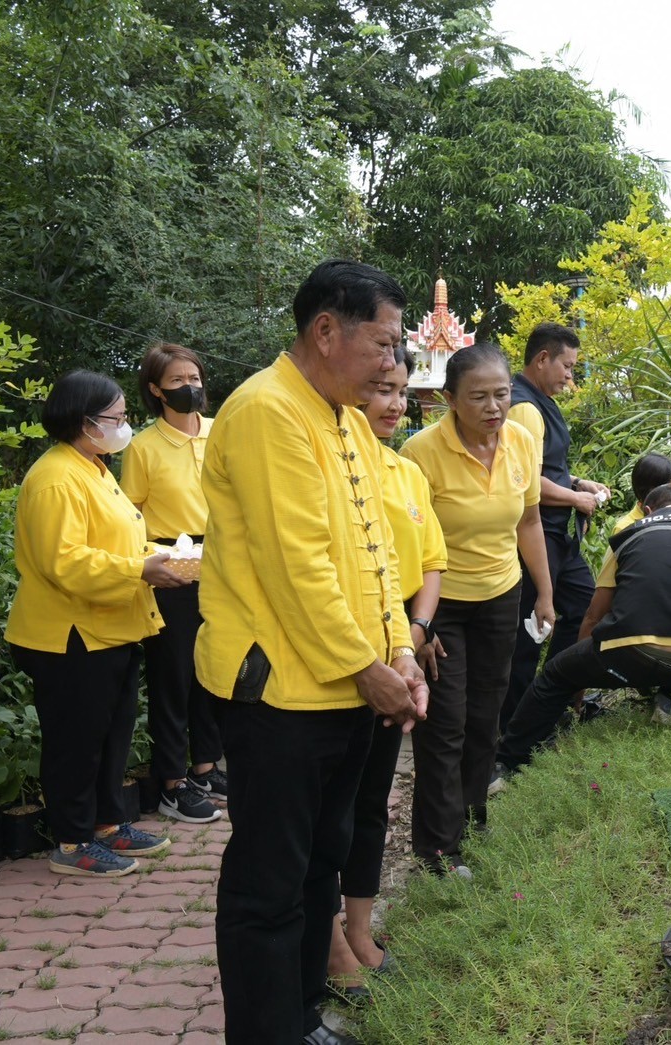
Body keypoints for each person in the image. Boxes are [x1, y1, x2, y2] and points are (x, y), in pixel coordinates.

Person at [198, 260, 429, 1045]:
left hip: (343, 691)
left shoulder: (340, 414)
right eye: (383, 341)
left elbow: (380, 560)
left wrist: (398, 651)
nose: (392, 362)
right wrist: (368, 667)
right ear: (325, 330)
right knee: (270, 882)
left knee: (317, 868)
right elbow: (298, 567)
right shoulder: (267, 410)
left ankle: (302, 1018)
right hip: (279, 696)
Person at [7, 370, 182, 878]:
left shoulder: (95, 468)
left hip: (112, 627)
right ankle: (71, 841)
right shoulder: (56, 478)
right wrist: (138, 570)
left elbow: (117, 542)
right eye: (117, 418)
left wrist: (162, 557)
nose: (125, 427)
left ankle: (107, 823)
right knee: (76, 742)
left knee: (112, 734)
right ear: (84, 422)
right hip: (70, 636)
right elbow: (65, 562)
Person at [401, 344, 554, 872]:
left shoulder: (521, 441)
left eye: (502, 394)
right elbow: (408, 543)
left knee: (486, 716)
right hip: (442, 602)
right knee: (444, 723)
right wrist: (418, 621)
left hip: (501, 596)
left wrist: (545, 593)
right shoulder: (420, 452)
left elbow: (529, 521)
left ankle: (472, 821)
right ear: (449, 399)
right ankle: (438, 849)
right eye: (479, 397)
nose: (494, 407)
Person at [328, 344, 446, 996]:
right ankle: (324, 943)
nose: (395, 403)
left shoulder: (405, 473)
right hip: (338, 640)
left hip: (397, 633)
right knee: (332, 803)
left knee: (374, 796)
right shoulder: (338, 465)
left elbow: (430, 561)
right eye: (383, 390)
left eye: (402, 391)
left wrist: (413, 636)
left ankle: (360, 929)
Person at [492, 485, 671, 786]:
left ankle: (507, 763)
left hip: (628, 656)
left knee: (555, 675)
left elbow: (594, 615)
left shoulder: (628, 535)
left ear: (647, 510)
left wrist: (578, 687)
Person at [120, 342, 224, 825]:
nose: (191, 388)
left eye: (195, 377)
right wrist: (152, 560)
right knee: (173, 676)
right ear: (156, 390)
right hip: (172, 566)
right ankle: (171, 781)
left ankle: (205, 766)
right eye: (179, 381)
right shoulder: (144, 447)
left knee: (213, 668)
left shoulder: (221, 432)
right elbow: (129, 515)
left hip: (224, 563)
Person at [502, 322, 610, 729]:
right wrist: (576, 498)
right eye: (566, 367)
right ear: (542, 359)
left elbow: (547, 470)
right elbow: (525, 484)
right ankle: (515, 723)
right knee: (530, 631)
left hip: (558, 534)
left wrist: (580, 483)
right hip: (536, 532)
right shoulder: (524, 406)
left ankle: (549, 700)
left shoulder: (539, 401)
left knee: (582, 608)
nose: (570, 376)